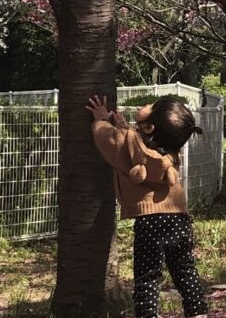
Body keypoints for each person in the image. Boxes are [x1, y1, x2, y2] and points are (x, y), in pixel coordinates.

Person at [86, 94, 208, 318]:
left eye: (152, 107)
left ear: (150, 127)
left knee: (147, 275)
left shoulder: (129, 144)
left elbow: (108, 140)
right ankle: (197, 312)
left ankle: (147, 314)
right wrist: (123, 127)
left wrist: (101, 119)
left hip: (150, 220)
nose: (148, 104)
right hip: (178, 217)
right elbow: (139, 144)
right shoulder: (170, 150)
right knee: (185, 269)